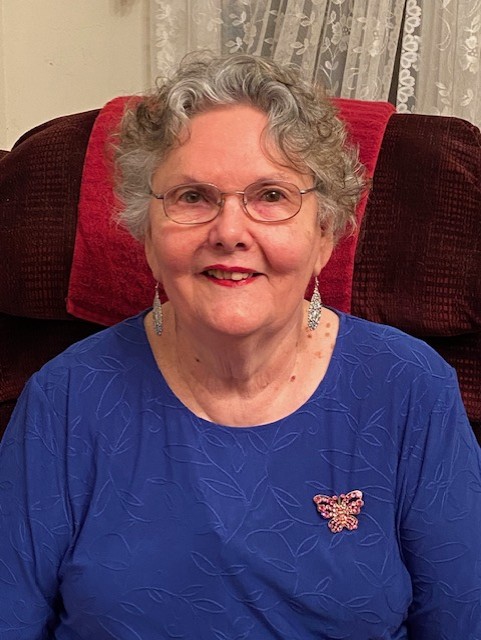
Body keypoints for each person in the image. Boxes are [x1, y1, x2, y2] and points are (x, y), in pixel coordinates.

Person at [0, 52, 480, 640]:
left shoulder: (409, 388)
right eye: (192, 197)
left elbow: (464, 618)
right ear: (146, 234)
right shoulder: (65, 398)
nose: (229, 232)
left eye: (271, 196)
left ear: (324, 234)